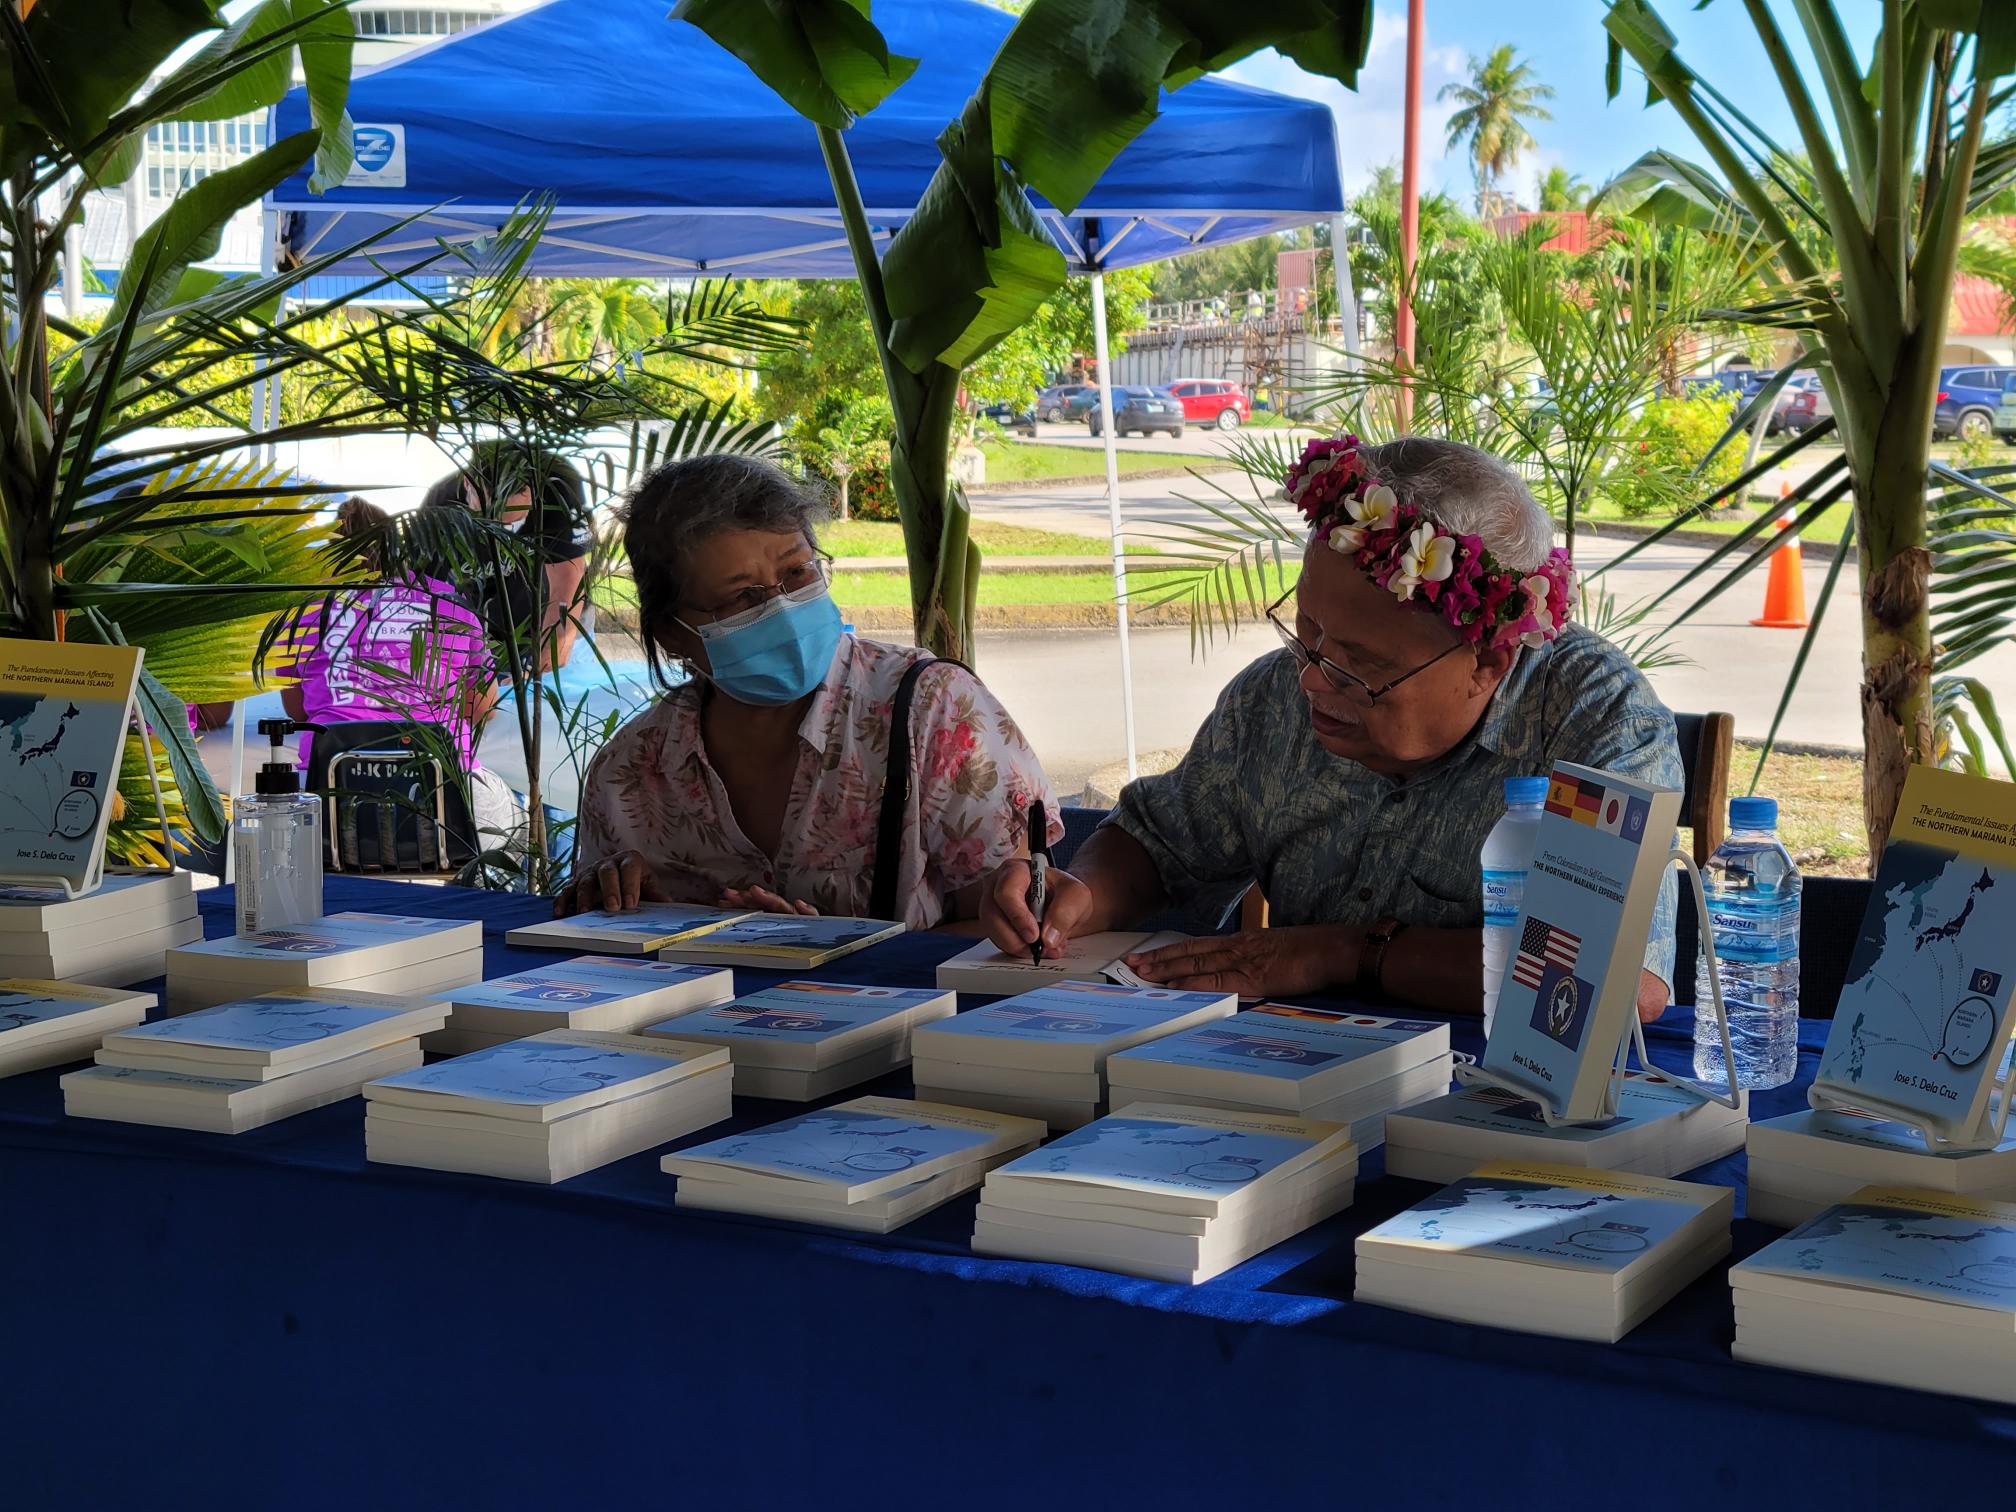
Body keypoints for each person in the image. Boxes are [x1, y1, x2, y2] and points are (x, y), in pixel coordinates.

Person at [981, 435, 1683, 1021]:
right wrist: (1077, 896)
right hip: (1290, 1077)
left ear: (1489, 660)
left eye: (1360, 664)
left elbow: (1615, 982)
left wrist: (1343, 953)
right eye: (1307, 632)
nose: (1313, 680)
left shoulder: (1595, 721)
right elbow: (1157, 843)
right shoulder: (1273, 700)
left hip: (1505, 1105)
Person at [560, 453, 1062, 928]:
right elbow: (613, 957)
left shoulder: (934, 713)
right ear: (672, 633)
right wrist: (614, 901)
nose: (783, 607)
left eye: (797, 572)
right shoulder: (630, 774)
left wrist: (822, 951)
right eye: (742, 597)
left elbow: (1016, 930)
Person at [273, 496, 523, 840]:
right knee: (517, 817)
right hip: (444, 800)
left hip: (331, 799)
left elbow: (299, 711)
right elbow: (481, 709)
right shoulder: (450, 603)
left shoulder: (307, 612)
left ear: (332, 553)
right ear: (400, 548)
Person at [421, 441, 593, 675]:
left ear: (532, 493)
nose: (503, 535)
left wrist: (544, 661)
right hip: (475, 623)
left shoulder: (559, 488)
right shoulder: (441, 504)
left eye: (515, 524)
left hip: (547, 617)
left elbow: (566, 589)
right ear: (468, 486)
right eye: (491, 522)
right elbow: (428, 594)